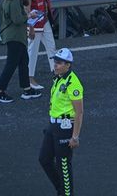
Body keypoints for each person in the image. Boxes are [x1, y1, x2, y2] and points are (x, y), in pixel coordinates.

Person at [0, 0, 42, 103]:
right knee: (12, 64)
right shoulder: (14, 0)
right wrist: (30, 15)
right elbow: (17, 19)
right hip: (15, 35)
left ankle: (27, 89)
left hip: (12, 34)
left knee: (23, 61)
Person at [39, 48, 84, 195]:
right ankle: (63, 190)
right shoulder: (59, 78)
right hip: (54, 125)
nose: (55, 65)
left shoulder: (73, 83)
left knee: (63, 164)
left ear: (68, 65)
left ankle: (66, 193)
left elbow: (79, 112)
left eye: (59, 63)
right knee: (44, 159)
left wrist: (75, 137)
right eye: (55, 62)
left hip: (65, 127)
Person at [26, 0, 57, 90]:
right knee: (32, 51)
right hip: (34, 24)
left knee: (52, 46)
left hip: (44, 20)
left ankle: (57, 73)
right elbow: (26, 9)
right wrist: (29, 27)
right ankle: (29, 78)